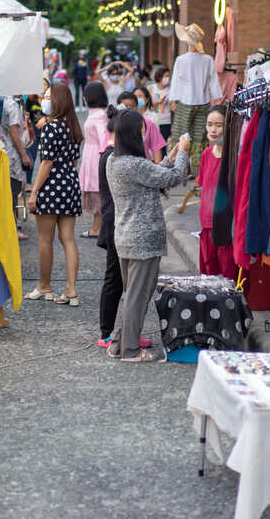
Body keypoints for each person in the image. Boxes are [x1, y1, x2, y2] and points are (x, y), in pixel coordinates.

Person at [106, 111, 191, 361]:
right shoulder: (135, 164)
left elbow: (152, 176)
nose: (145, 134)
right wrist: (184, 152)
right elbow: (173, 178)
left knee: (129, 293)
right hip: (144, 239)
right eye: (142, 130)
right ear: (134, 133)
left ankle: (118, 344)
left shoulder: (115, 161)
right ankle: (131, 350)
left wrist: (170, 157)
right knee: (137, 296)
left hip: (125, 235)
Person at [95, 106, 152, 350]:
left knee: (125, 282)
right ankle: (108, 332)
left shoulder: (113, 156)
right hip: (117, 224)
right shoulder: (113, 158)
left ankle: (123, 331)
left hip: (117, 223)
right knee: (116, 280)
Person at [25, 83, 83, 305]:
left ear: (58, 100)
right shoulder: (72, 125)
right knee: (68, 239)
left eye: (48, 96)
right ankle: (71, 289)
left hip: (51, 186)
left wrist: (34, 193)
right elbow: (74, 159)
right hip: (69, 184)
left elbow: (46, 163)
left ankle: (44, 285)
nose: (43, 100)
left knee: (45, 239)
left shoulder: (51, 127)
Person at [170, 24, 222, 176]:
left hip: (185, 101)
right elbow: (213, 81)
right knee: (200, 136)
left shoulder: (181, 60)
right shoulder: (207, 59)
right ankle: (197, 170)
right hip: (203, 101)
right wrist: (216, 98)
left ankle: (180, 167)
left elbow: (176, 81)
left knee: (182, 134)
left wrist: (173, 99)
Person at [197, 105, 238, 279]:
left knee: (229, 275)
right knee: (209, 277)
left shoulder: (233, 157)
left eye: (219, 125)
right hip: (206, 226)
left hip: (226, 227)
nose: (213, 129)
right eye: (210, 124)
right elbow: (202, 185)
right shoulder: (206, 154)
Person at [0, 95, 32, 241]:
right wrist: (24, 155)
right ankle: (12, 229)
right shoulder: (12, 105)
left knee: (3, 192)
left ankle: (5, 227)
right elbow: (15, 133)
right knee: (12, 192)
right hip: (12, 154)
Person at [78, 82, 110, 239]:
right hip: (91, 154)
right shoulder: (96, 113)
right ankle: (97, 227)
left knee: (98, 191)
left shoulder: (99, 115)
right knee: (97, 190)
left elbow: (104, 138)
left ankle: (97, 228)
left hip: (96, 155)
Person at [116, 91, 165, 162]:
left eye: (132, 106)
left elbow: (156, 149)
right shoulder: (114, 125)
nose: (128, 110)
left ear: (136, 107)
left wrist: (157, 169)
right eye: (125, 106)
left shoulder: (148, 124)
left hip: (145, 167)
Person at [149, 66, 173, 141]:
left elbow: (173, 107)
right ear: (159, 77)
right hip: (152, 120)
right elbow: (146, 104)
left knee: (163, 144)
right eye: (166, 76)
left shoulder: (171, 90)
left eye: (169, 76)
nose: (168, 78)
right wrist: (157, 102)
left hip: (165, 121)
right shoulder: (151, 88)